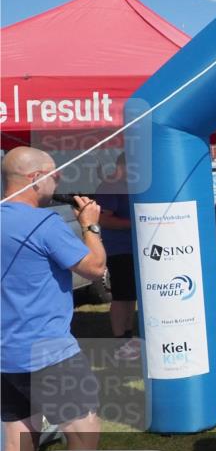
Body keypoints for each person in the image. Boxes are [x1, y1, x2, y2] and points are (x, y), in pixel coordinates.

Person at [1, 147, 123, 451]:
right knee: (83, 440)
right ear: (36, 178)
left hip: (6, 357)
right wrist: (91, 226)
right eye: (54, 178)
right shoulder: (43, 222)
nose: (57, 185)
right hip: (49, 352)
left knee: (17, 444)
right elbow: (95, 267)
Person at [94, 153, 140, 360]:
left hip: (133, 249)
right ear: (122, 165)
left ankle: (128, 338)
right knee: (122, 296)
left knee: (130, 296)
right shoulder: (110, 187)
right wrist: (136, 224)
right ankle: (120, 342)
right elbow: (102, 219)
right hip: (119, 249)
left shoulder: (126, 186)